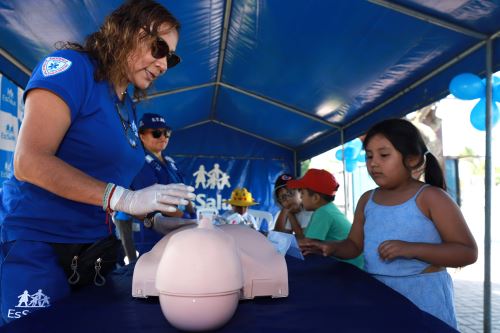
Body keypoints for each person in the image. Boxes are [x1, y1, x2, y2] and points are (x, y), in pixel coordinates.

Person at [0, 0, 195, 325]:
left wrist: (152, 220)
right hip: (39, 244)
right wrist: (123, 198)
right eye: (159, 48)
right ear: (127, 31)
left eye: (170, 58)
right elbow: (29, 161)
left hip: (96, 249)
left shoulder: (126, 105)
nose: (163, 64)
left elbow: (115, 174)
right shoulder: (71, 67)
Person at [299, 118, 478, 329]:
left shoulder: (431, 197)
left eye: (384, 155)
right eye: (369, 156)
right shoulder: (367, 200)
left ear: (412, 159)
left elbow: (466, 252)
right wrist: (330, 247)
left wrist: (412, 249)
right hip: (378, 295)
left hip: (424, 301)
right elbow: (354, 246)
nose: (373, 163)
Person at [117, 113, 197, 256]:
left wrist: (192, 214)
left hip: (175, 227)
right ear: (141, 136)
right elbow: (153, 203)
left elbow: (184, 191)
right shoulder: (140, 162)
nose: (163, 137)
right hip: (151, 229)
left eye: (166, 133)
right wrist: (186, 219)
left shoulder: (170, 161)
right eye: (156, 133)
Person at [288, 169, 364, 269]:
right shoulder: (328, 209)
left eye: (302, 194)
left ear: (315, 198)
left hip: (351, 268)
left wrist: (278, 242)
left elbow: (306, 244)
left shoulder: (323, 212)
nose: (301, 198)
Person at [272, 173, 312, 238]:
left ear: (301, 193)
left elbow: (303, 238)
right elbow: (278, 235)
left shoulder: (309, 210)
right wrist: (285, 211)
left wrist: (290, 214)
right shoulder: (288, 211)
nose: (287, 199)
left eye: (291, 193)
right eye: (283, 197)